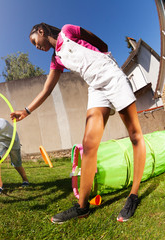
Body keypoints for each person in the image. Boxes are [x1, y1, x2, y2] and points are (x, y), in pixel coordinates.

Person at [10, 23, 146, 223]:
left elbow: (100, 42)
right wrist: (27, 110)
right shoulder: (56, 58)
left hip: (112, 77)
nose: (35, 46)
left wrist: (104, 57)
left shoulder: (67, 30)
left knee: (135, 135)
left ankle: (133, 196)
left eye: (34, 41)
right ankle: (82, 206)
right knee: (89, 146)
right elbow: (47, 89)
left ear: (41, 31)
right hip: (96, 89)